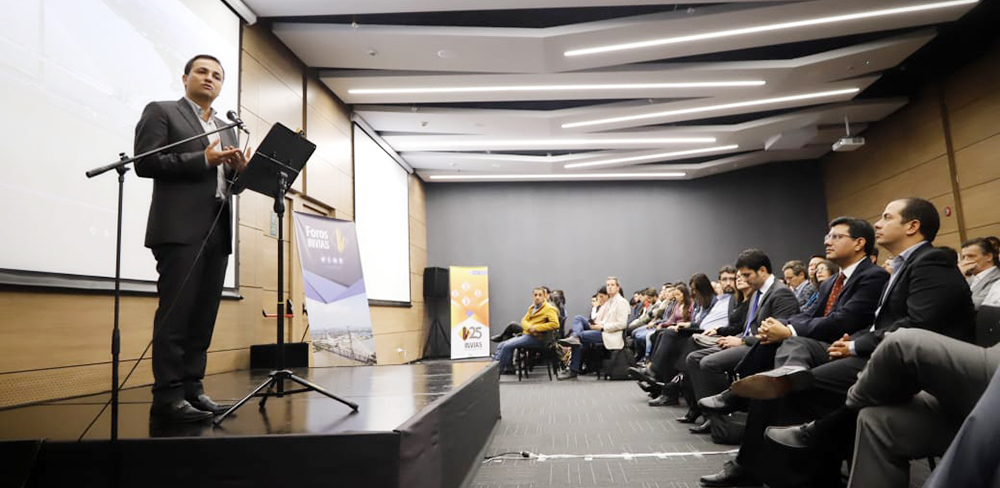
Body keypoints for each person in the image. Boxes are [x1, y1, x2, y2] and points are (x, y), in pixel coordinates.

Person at [760, 198, 976, 487]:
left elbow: (918, 325)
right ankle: (811, 462)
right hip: (886, 354)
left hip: (922, 370)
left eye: (887, 217)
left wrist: (855, 346)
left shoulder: (931, 262)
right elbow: (885, 323)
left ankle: (811, 465)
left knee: (808, 384)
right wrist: (855, 340)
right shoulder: (904, 265)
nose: (878, 223)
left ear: (912, 226)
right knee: (799, 373)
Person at [696, 217, 889, 487]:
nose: (827, 241)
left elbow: (843, 321)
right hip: (822, 347)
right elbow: (805, 314)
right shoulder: (834, 281)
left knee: (788, 349)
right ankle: (748, 417)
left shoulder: (873, 276)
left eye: (835, 236)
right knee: (772, 367)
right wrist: (780, 327)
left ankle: (740, 408)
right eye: (827, 236)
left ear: (859, 243)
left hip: (842, 348)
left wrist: (788, 331)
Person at [134, 55, 250, 422]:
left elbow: (229, 184)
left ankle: (193, 390)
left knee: (203, 316)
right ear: (185, 77)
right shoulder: (162, 111)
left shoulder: (225, 127)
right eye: (202, 72)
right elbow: (145, 163)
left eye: (217, 75)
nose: (209, 79)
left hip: (216, 229)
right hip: (179, 229)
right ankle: (167, 397)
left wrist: (240, 174)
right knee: (176, 315)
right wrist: (202, 160)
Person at [557, 277, 630, 379]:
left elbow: (622, 324)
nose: (609, 287)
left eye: (612, 285)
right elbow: (607, 319)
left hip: (611, 334)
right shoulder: (611, 301)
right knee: (578, 318)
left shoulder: (621, 302)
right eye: (608, 285)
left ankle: (573, 370)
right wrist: (596, 324)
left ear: (618, 287)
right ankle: (574, 337)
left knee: (580, 337)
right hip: (603, 330)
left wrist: (602, 327)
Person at [492, 287, 561, 374]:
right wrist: (529, 327)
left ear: (544, 297)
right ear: (532, 296)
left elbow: (555, 324)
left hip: (538, 338)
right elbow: (523, 321)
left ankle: (496, 373)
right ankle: (504, 368)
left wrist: (536, 328)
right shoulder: (532, 307)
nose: (537, 297)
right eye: (535, 295)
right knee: (502, 344)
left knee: (507, 346)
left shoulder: (549, 309)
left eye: (540, 295)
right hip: (528, 334)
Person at [959, 236, 1000, 309]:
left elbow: (975, 305)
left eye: (971, 256)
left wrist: (958, 277)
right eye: (964, 257)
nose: (966, 260)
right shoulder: (969, 278)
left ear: (988, 257)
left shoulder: (997, 278)